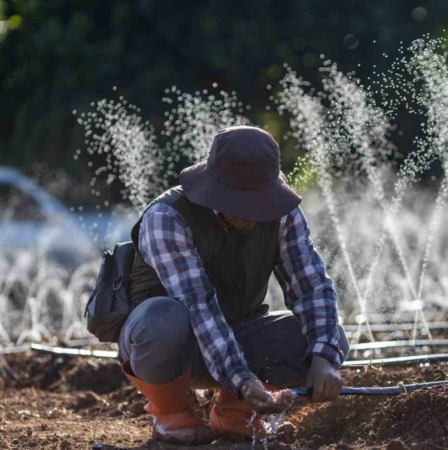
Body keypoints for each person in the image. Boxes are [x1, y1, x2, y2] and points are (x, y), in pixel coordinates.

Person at [118, 126, 349, 444]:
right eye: (246, 202)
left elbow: (311, 286)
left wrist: (324, 358)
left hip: (237, 340)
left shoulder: (282, 214)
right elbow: (198, 306)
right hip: (167, 348)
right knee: (163, 317)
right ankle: (173, 413)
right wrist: (241, 376)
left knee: (328, 336)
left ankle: (234, 412)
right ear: (216, 192)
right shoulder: (167, 218)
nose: (257, 212)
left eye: (262, 200)